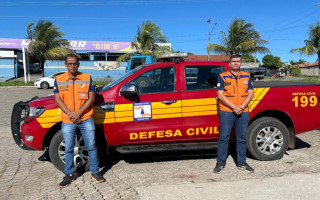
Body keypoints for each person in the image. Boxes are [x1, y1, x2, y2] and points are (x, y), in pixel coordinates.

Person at [53, 54, 105, 188]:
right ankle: (69, 174)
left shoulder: (87, 78)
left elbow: (91, 98)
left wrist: (79, 113)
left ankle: (95, 172)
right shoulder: (59, 79)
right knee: (69, 148)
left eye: (75, 63)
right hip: (68, 119)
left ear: (78, 64)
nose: (72, 66)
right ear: (65, 65)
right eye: (70, 63)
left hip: (86, 118)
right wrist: (71, 114)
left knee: (92, 146)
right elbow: (58, 99)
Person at [214, 54, 254, 173]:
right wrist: (234, 107)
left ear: (241, 63)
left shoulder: (247, 76)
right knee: (224, 137)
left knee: (241, 138)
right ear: (230, 63)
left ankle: (242, 162)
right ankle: (220, 162)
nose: (236, 63)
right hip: (227, 111)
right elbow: (220, 95)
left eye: (238, 61)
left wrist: (241, 107)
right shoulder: (222, 76)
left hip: (243, 111)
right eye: (234, 61)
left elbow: (251, 93)